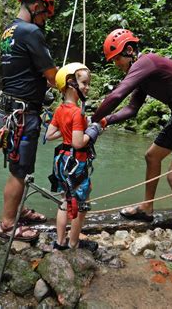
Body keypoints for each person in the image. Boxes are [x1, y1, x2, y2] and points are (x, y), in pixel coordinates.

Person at [91, 28, 172, 261]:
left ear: (129, 50)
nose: (117, 64)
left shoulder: (146, 62)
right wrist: (104, 120)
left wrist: (88, 119)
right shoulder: (143, 76)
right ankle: (147, 208)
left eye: (117, 58)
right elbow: (131, 109)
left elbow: (117, 96)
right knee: (152, 156)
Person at [0, 0, 58, 242]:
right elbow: (52, 75)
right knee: (19, 172)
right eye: (44, 14)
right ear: (36, 6)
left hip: (8, 110)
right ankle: (8, 224)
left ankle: (18, 210)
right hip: (21, 114)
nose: (45, 21)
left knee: (19, 167)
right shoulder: (31, 32)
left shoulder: (9, 31)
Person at [45, 63, 102, 252]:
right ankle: (74, 242)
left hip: (61, 161)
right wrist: (94, 130)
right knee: (81, 204)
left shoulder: (60, 110)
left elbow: (49, 135)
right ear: (71, 84)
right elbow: (79, 143)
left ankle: (60, 242)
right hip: (76, 162)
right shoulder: (77, 112)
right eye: (84, 83)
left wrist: (67, 130)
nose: (87, 87)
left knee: (65, 200)